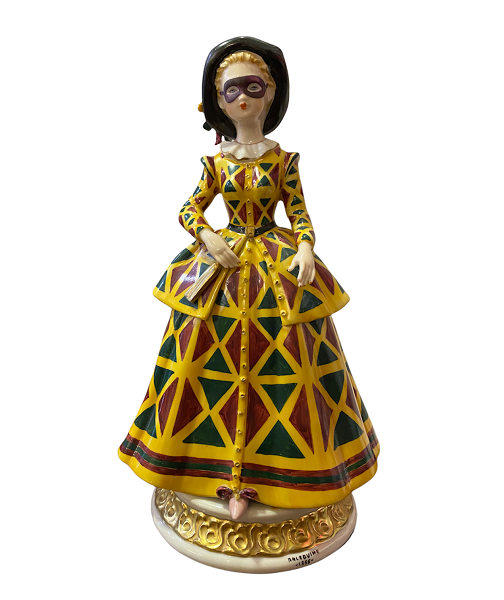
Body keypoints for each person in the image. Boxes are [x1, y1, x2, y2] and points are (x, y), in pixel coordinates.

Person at [118, 37, 379, 520]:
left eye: (253, 87)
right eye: (232, 90)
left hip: (276, 267)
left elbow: (299, 214)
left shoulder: (284, 161)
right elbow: (189, 209)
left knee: (292, 361)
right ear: (218, 101)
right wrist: (207, 236)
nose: (243, 98)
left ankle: (279, 472)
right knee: (197, 356)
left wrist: (305, 247)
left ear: (271, 93)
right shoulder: (215, 163)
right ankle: (209, 469)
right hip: (223, 263)